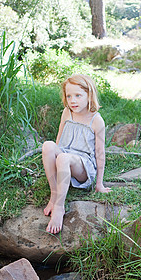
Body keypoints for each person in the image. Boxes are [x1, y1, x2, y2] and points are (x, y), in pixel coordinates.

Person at [42, 74, 111, 234]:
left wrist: (99, 184)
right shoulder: (67, 112)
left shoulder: (96, 120)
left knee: (64, 157)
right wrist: (55, 160)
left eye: (78, 95)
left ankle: (59, 207)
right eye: (69, 96)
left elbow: (100, 154)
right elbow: (59, 140)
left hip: (83, 166)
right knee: (48, 145)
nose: (73, 100)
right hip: (65, 156)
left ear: (89, 95)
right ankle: (54, 194)